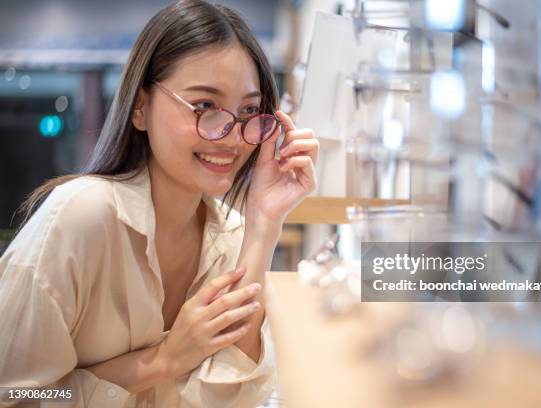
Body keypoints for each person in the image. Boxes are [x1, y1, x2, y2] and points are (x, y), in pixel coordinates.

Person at [0, 0, 318, 406]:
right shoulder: (81, 217)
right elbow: (13, 394)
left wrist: (264, 221)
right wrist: (164, 360)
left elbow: (232, 399)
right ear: (140, 107)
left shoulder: (233, 234)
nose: (231, 135)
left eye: (249, 111)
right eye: (204, 106)